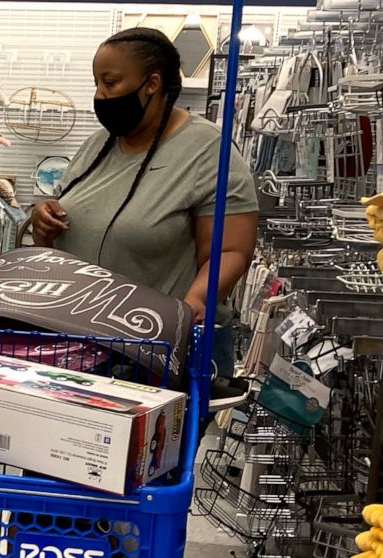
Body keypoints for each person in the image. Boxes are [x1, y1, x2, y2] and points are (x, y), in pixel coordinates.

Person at [30, 27, 258, 402]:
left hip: (155, 359)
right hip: (75, 349)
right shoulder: (97, 145)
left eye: (110, 83)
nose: (100, 95)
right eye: (96, 84)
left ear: (152, 83)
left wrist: (193, 306)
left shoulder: (207, 151)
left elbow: (230, 250)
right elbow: (69, 209)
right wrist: (44, 220)